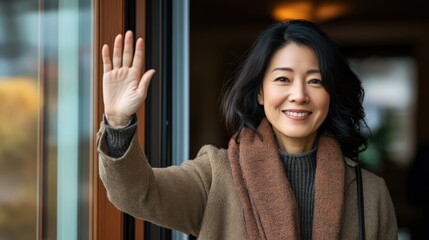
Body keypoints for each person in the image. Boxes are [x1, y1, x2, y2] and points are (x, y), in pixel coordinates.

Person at [98, 20, 398, 239]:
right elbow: (138, 194)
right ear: (260, 93)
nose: (299, 94)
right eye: (283, 79)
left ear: (330, 94)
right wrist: (118, 122)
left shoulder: (369, 193)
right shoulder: (216, 175)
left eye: (315, 81)